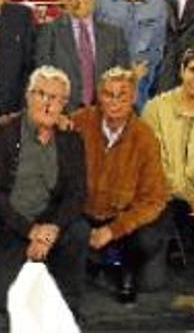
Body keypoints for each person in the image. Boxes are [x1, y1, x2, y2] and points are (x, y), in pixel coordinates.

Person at [0, 66, 89, 318]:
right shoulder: (4, 131)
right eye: (41, 94)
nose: (47, 103)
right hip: (11, 224)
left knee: (79, 229)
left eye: (55, 98)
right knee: (3, 300)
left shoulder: (70, 139)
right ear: (28, 96)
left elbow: (77, 193)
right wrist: (29, 231)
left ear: (64, 103)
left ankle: (66, 299)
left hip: (50, 224)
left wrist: (51, 229)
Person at [72, 67, 168, 304]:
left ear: (133, 97)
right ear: (98, 96)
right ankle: (91, 259)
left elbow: (154, 199)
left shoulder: (145, 137)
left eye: (122, 95)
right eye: (108, 94)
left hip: (123, 219)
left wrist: (113, 230)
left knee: (150, 257)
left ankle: (121, 265)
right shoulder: (79, 121)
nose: (114, 102)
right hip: (81, 212)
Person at [142, 43, 194, 239]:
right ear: (182, 71)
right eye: (193, 70)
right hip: (162, 196)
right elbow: (155, 167)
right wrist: (191, 196)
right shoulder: (155, 109)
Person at [36, 0, 130, 111]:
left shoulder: (114, 35)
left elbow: (123, 81)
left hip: (105, 116)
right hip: (63, 118)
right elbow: (44, 80)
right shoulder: (48, 33)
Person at [94, 0, 168, 110]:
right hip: (100, 90)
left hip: (138, 94)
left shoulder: (158, 6)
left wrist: (138, 72)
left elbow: (156, 50)